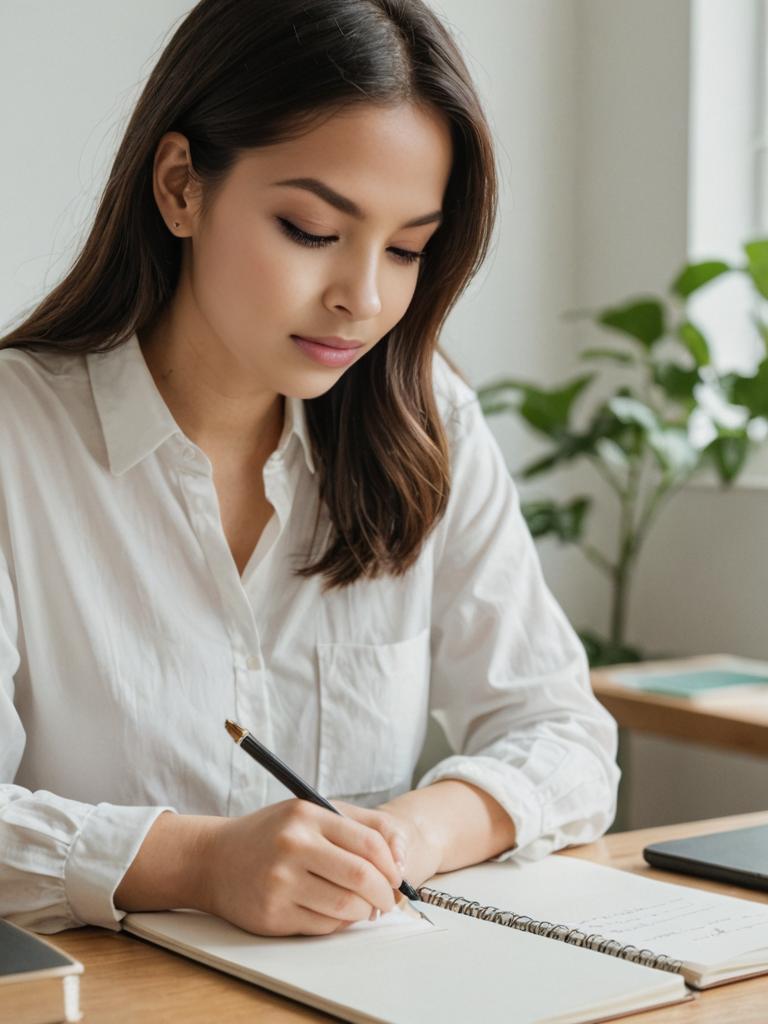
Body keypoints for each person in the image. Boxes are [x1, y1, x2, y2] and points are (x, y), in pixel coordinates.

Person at [0, 0, 619, 939]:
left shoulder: (428, 423)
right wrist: (201, 862)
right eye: (311, 229)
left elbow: (564, 733)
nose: (362, 299)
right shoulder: (17, 436)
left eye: (408, 248)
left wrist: (405, 838)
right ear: (180, 187)